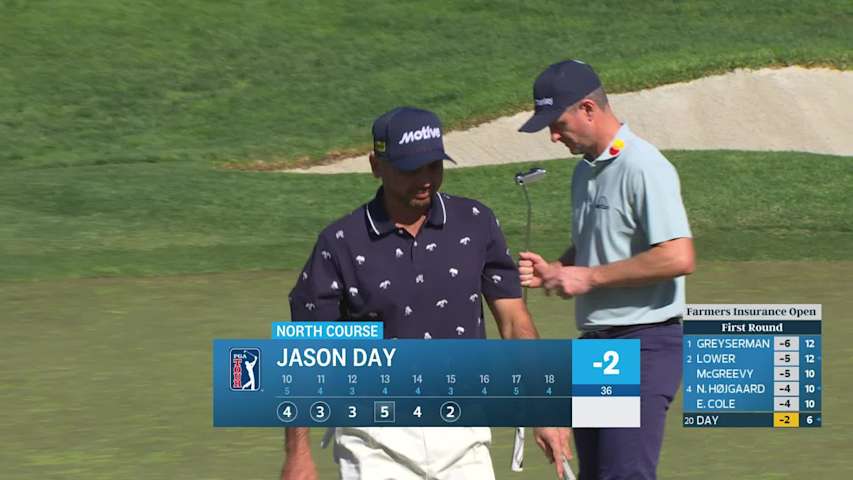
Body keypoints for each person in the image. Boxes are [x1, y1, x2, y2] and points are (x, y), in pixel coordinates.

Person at [282, 106, 571, 480]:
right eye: (409, 169)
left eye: (433, 166)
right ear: (376, 165)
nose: (424, 180)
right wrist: (298, 452)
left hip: (464, 435)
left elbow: (515, 323)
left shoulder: (476, 222)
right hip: (374, 442)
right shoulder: (340, 243)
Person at [517, 60, 695, 480]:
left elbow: (678, 256)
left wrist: (588, 278)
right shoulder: (586, 172)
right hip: (599, 346)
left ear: (588, 109)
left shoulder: (644, 166)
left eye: (558, 123)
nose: (554, 135)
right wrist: (559, 267)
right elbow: (593, 244)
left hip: (644, 342)